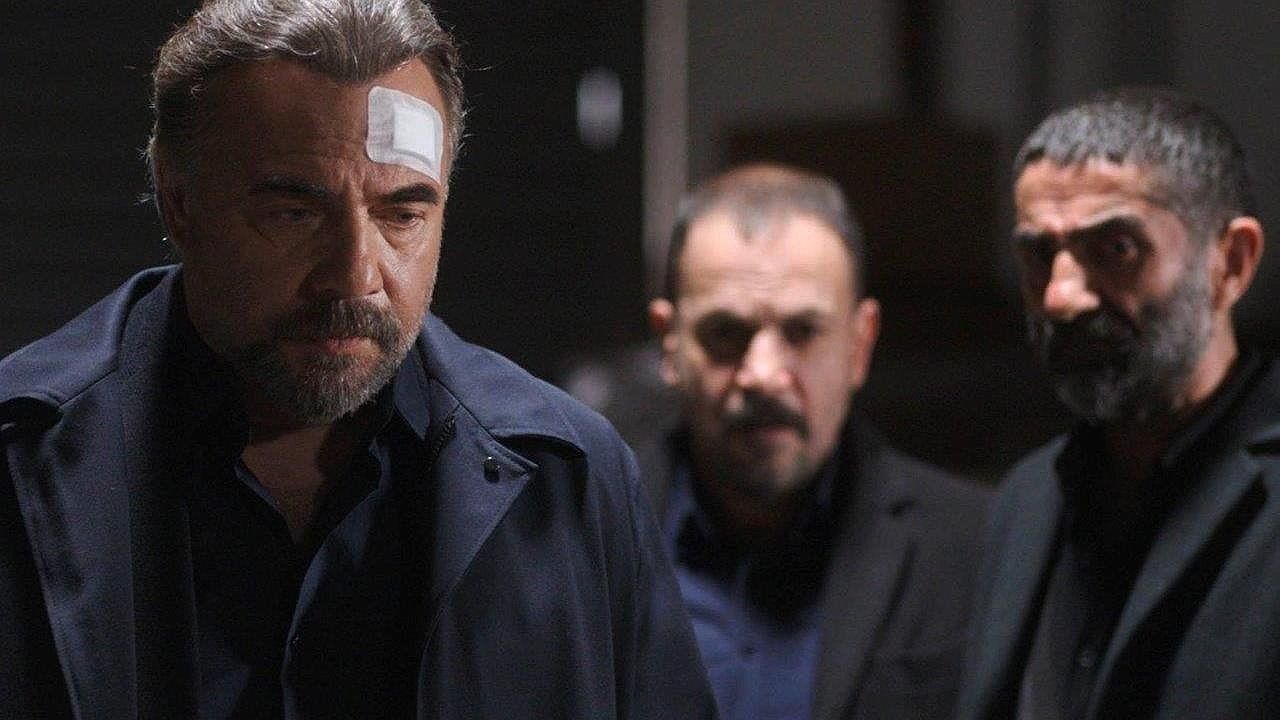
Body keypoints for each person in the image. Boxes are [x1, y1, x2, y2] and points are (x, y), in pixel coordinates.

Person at [0, 1, 716, 717]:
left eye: (402, 215)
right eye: (295, 214)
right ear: (178, 201)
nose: (354, 276)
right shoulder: (20, 458)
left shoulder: (571, 478)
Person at [955, 87, 1279, 719]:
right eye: (1039, 255)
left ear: (1231, 264)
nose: (1060, 297)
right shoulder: (1028, 499)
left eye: (1117, 249)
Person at [644, 163, 991, 720]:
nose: (763, 374)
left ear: (860, 345)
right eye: (726, 334)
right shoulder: (585, 535)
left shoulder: (975, 548)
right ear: (670, 344)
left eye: (802, 332)